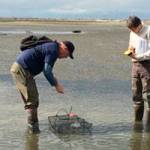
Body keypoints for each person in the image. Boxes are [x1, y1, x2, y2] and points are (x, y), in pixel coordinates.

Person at [10, 40, 75, 133]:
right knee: (32, 101)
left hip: (21, 69)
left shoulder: (52, 47)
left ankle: (32, 129)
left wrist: (55, 81)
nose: (65, 57)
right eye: (67, 55)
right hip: (22, 69)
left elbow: (48, 70)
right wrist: (56, 85)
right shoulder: (53, 49)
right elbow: (47, 71)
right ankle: (33, 130)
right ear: (64, 48)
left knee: (32, 100)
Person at [126, 16, 150, 123]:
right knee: (136, 96)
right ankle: (137, 125)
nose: (132, 31)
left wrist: (139, 56)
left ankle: (148, 128)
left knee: (148, 96)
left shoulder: (148, 31)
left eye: (133, 29)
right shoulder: (132, 33)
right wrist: (130, 50)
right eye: (130, 29)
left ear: (139, 25)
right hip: (135, 65)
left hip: (147, 65)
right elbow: (131, 45)